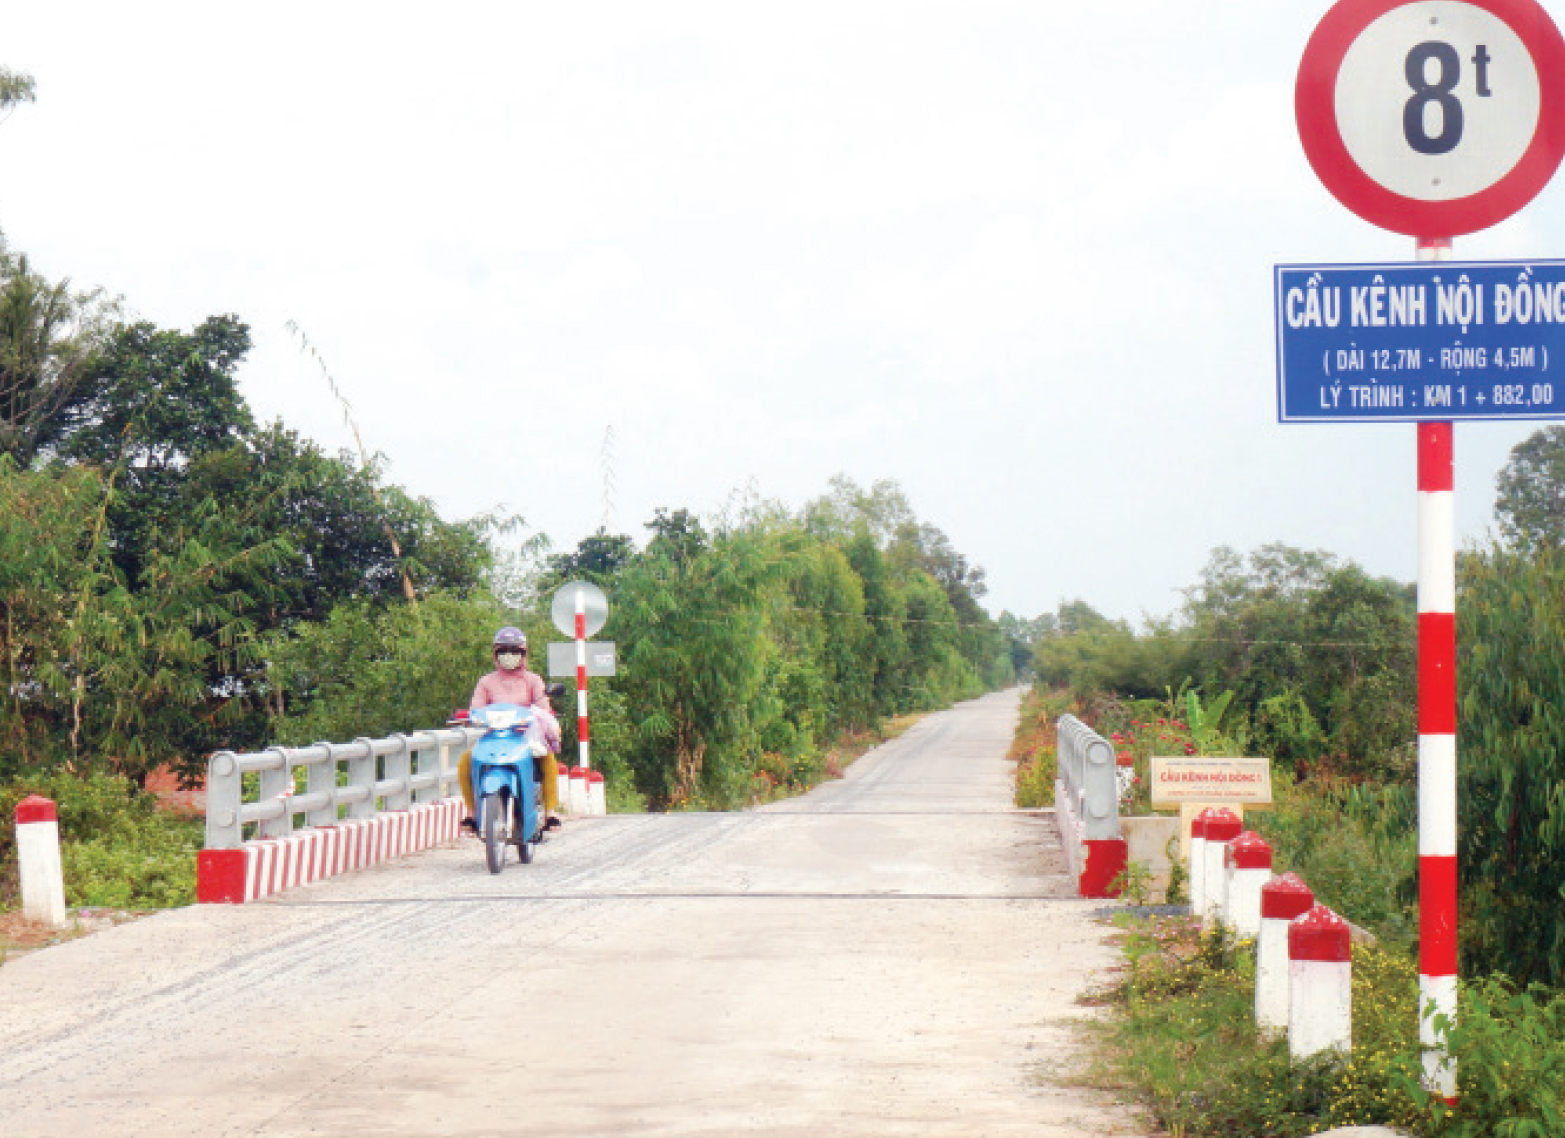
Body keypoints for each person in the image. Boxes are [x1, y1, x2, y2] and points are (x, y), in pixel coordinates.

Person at [458, 627, 563, 834]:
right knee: (466, 761)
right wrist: (468, 716)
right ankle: (472, 813)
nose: (509, 656)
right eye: (503, 651)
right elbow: (476, 709)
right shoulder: (486, 682)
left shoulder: (533, 680)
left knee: (548, 759)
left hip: (526, 737)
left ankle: (551, 812)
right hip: (494, 736)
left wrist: (541, 714)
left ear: (524, 654)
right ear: (495, 654)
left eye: (515, 651)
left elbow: (542, 706)